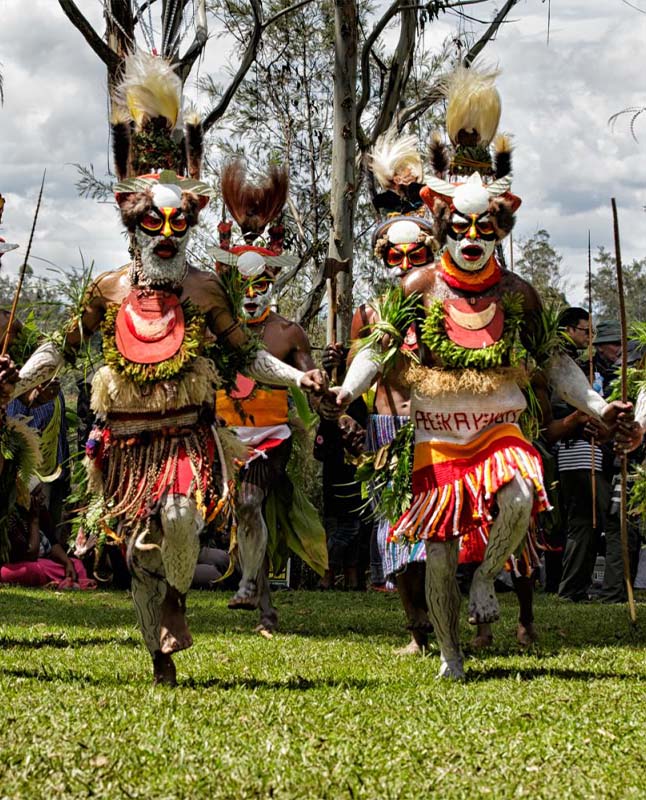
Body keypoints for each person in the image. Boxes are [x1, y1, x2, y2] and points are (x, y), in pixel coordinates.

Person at [14, 53, 326, 685]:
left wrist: (298, 378)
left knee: (182, 522)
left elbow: (245, 357)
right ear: (132, 219)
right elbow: (65, 346)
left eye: (177, 220)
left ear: (189, 221)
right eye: (152, 220)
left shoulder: (207, 289)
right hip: (124, 445)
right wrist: (18, 380)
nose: (165, 232)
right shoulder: (109, 288)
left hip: (188, 436)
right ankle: (158, 658)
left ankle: (179, 599)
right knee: (135, 551)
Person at [326, 65, 634, 679]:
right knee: (437, 553)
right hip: (438, 437)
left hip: (500, 431)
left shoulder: (519, 294)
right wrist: (346, 389)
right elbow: (379, 349)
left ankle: (489, 576)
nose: (471, 237)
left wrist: (599, 409)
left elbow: (555, 362)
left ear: (502, 226)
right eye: (460, 226)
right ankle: (449, 654)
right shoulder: (418, 286)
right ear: (441, 225)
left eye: (484, 226)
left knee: (520, 498)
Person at [210, 161, 328, 631]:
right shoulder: (217, 329)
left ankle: (246, 585)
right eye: (245, 285)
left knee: (251, 503)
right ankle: (266, 610)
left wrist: (330, 399)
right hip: (224, 437)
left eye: (262, 284)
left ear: (273, 282)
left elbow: (311, 380)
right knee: (241, 512)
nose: (253, 294)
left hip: (272, 436)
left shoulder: (287, 332)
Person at [551, 311, 612, 602]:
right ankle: (571, 588)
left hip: (589, 452)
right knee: (584, 520)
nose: (589, 338)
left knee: (590, 520)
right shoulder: (558, 361)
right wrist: (579, 418)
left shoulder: (579, 362)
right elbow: (556, 407)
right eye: (585, 332)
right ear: (568, 329)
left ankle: (577, 586)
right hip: (574, 454)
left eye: (592, 333)